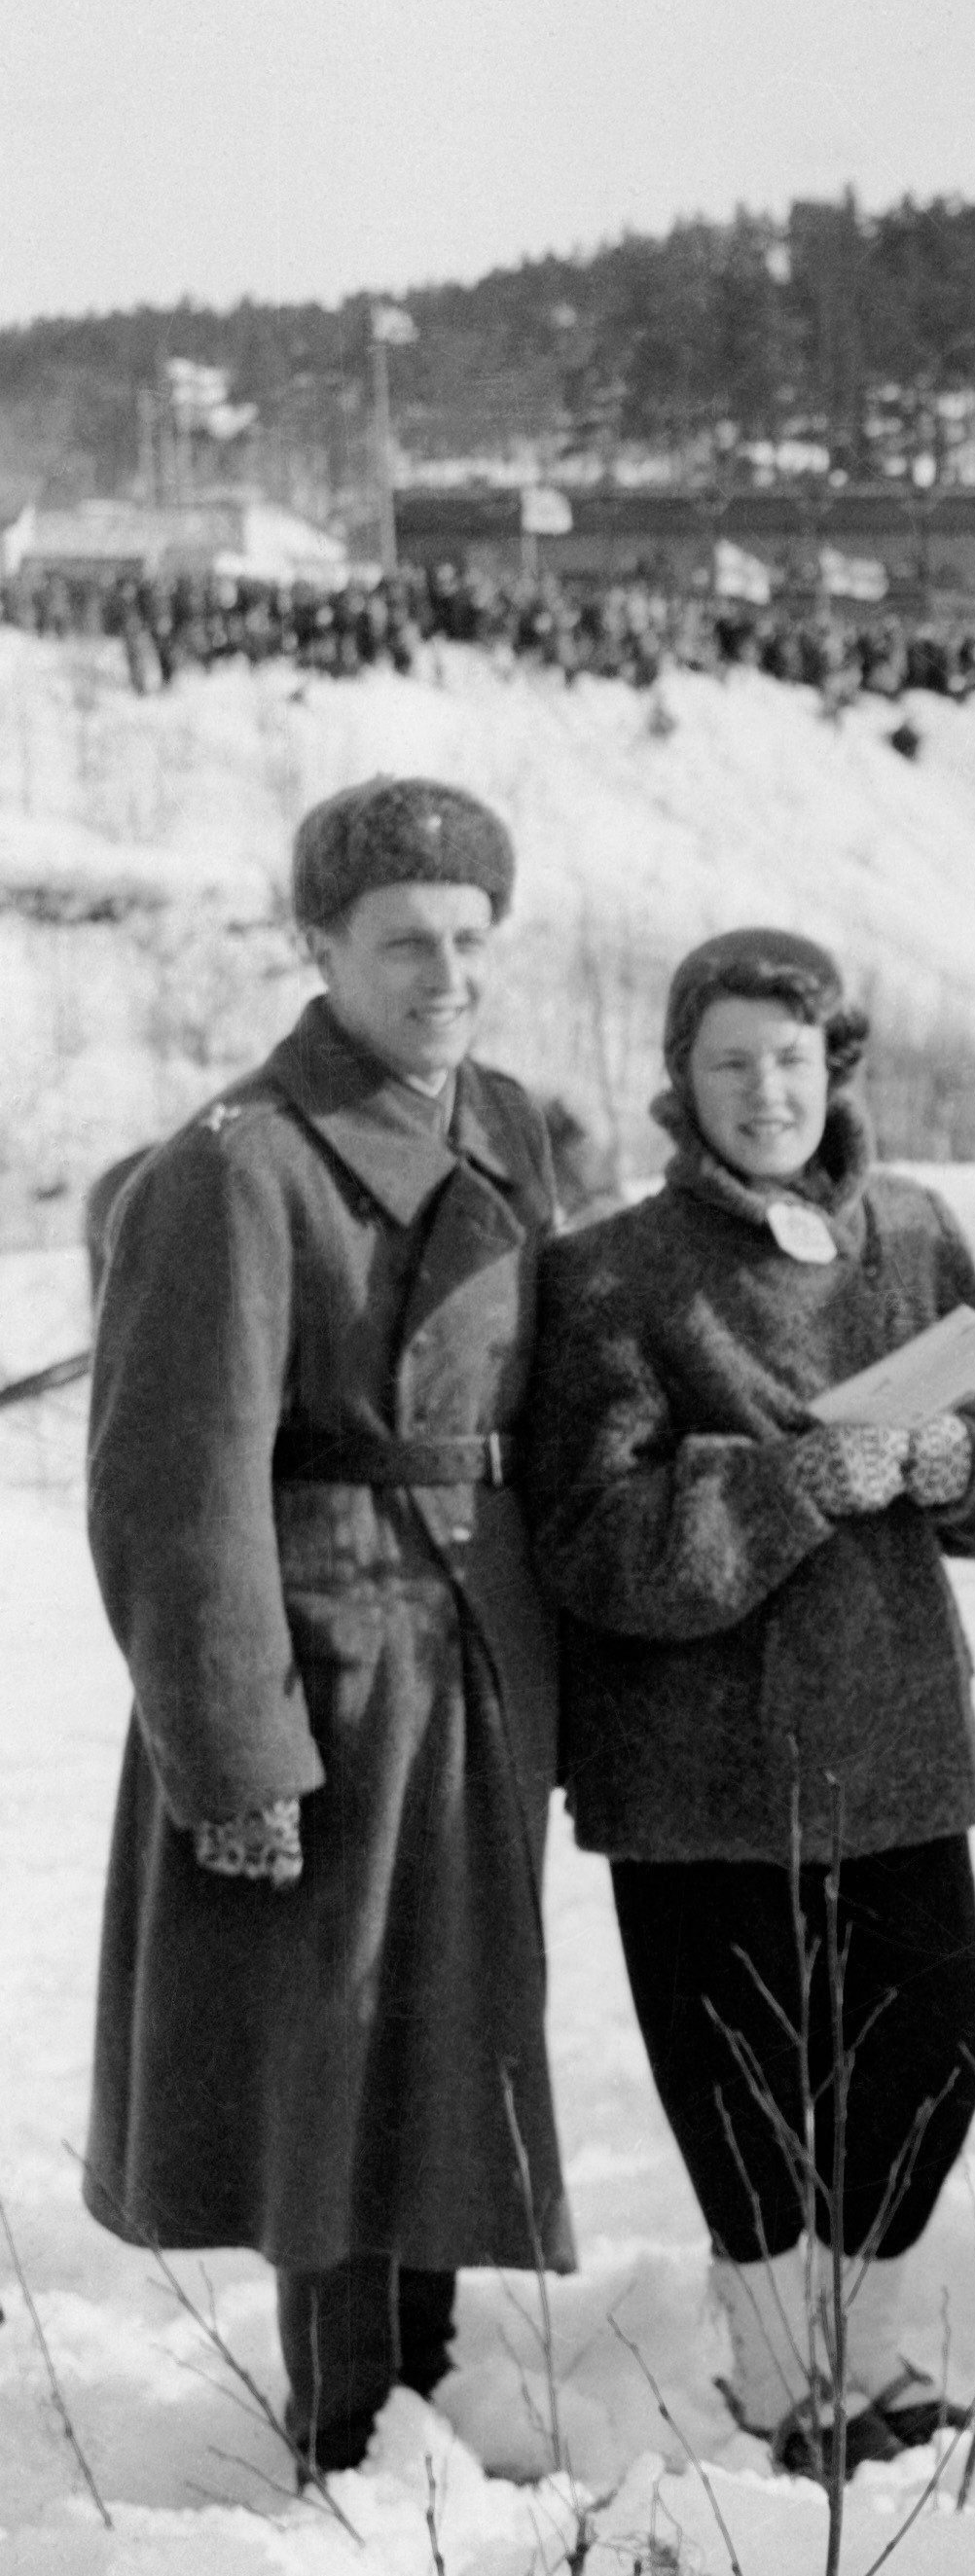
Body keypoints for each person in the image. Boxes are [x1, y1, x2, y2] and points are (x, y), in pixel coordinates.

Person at [527, 930, 975, 2474]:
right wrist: (785, 1487)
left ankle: (876, 2355)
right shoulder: (616, 1273)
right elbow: (591, 1538)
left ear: (839, 1068)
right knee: (745, 2085)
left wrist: (963, 1461)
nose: (766, 1091)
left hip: (895, 1730)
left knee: (932, 2057)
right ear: (678, 1087)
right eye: (728, 1063)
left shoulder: (914, 1231)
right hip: (700, 1761)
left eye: (792, 1059)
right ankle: (783, 2388)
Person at [82, 776, 571, 2479]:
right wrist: (234, 1750)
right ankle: (354, 2430)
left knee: (450, 2028)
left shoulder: (514, 1130)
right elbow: (170, 1487)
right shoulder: (236, 1169)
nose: (443, 975)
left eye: (468, 941)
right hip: (328, 1666)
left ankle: (428, 2395)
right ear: (320, 950)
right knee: (331, 2053)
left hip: (479, 1661)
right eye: (402, 943)